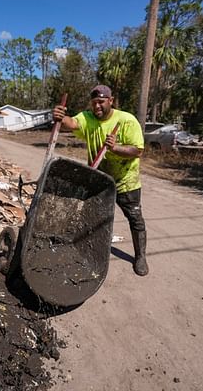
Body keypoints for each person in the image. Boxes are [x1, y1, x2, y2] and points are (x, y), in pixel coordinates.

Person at [52, 85, 149, 276]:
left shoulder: (126, 120)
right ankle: (89, 251)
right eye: (94, 102)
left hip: (125, 182)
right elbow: (72, 123)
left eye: (101, 102)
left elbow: (138, 150)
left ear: (110, 101)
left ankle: (140, 257)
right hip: (99, 181)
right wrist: (61, 117)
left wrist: (117, 149)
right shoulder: (88, 118)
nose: (97, 106)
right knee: (94, 217)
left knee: (135, 219)